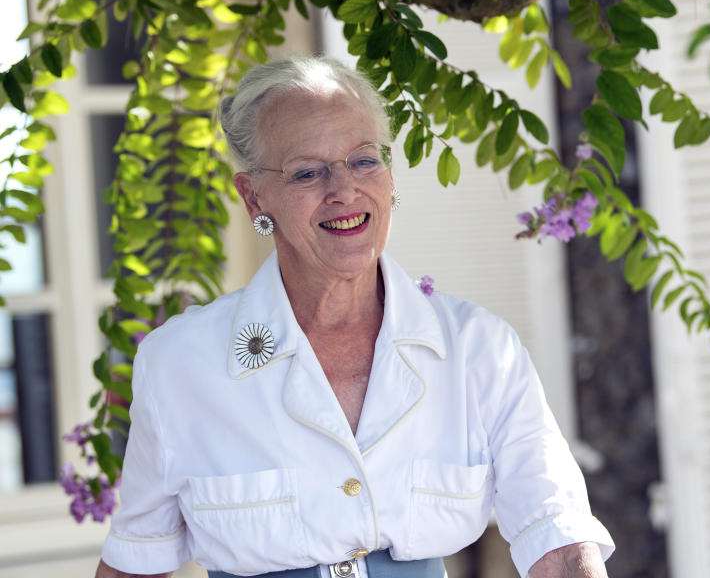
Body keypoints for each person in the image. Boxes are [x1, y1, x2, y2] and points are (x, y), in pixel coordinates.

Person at [95, 56, 614, 578]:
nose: (343, 190)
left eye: (364, 161)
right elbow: (137, 563)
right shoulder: (180, 365)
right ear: (255, 198)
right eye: (306, 172)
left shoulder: (480, 350)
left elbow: (562, 544)